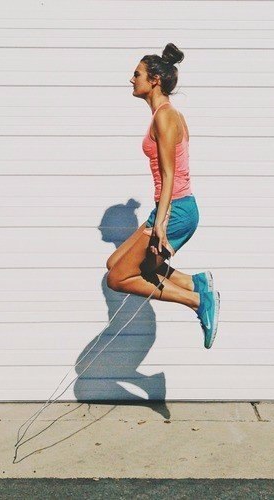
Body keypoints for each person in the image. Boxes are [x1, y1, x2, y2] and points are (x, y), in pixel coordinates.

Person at [106, 43, 220, 349]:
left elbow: (170, 174)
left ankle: (198, 300)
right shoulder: (163, 114)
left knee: (118, 279)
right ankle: (194, 282)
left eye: (137, 74)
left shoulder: (166, 116)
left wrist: (161, 223)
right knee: (114, 262)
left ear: (154, 79)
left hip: (177, 210)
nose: (132, 79)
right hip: (170, 207)